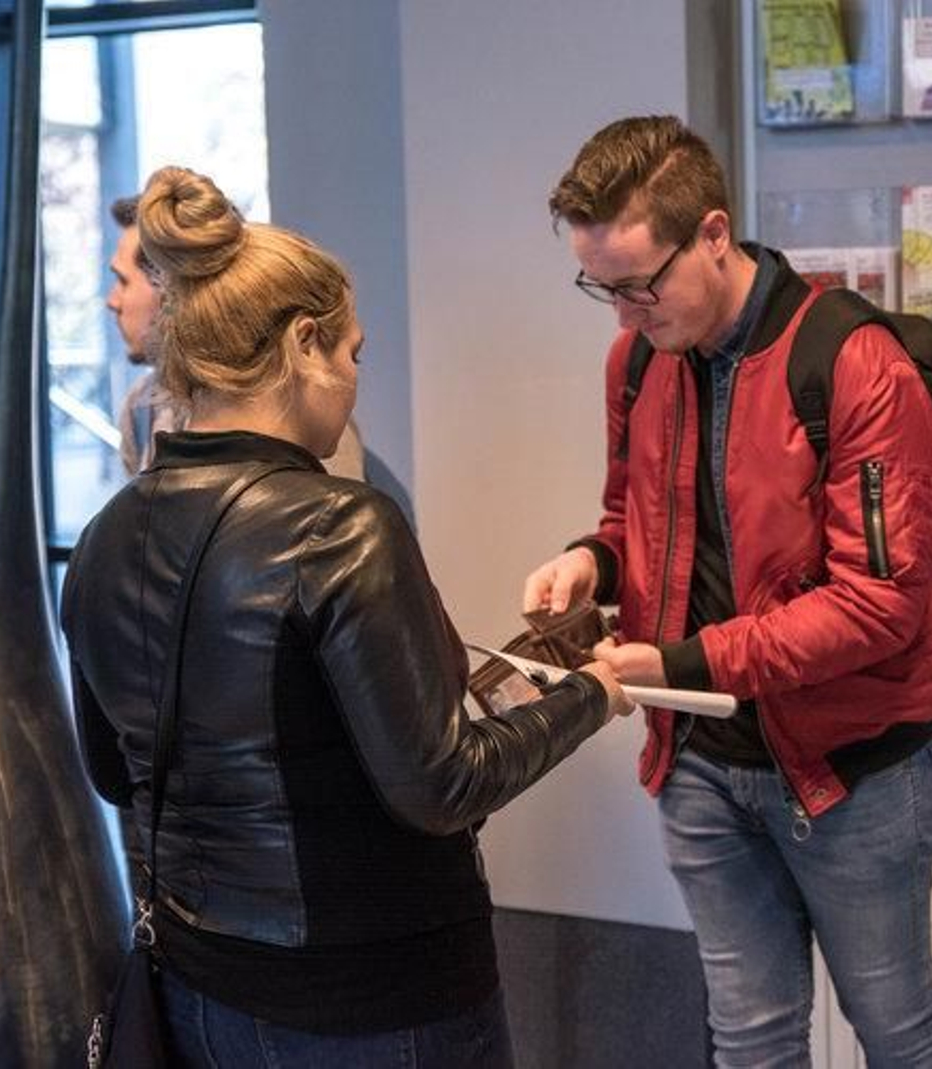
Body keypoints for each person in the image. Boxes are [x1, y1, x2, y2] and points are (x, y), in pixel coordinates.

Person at [64, 165, 633, 1068]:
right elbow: (441, 784)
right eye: (354, 354)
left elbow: (111, 769)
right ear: (303, 344)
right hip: (374, 997)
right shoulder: (339, 524)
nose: (355, 381)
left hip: (201, 988)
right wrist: (590, 694)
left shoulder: (103, 538)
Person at [523, 115, 932, 1067]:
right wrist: (589, 566)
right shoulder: (639, 358)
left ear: (714, 234)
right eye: (601, 288)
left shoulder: (853, 362)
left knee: (895, 1027)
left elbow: (878, 603)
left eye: (641, 284)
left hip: (854, 767)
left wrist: (683, 660)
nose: (623, 314)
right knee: (751, 1037)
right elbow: (630, 517)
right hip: (700, 762)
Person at [106, 194, 367, 478]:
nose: (112, 301)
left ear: (169, 286)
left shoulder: (307, 417)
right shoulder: (139, 408)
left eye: (122, 280)